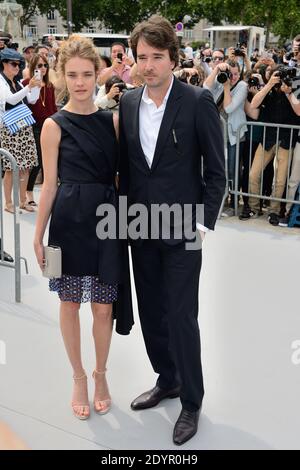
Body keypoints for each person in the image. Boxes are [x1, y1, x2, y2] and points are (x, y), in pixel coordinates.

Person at [119, 16, 225, 445]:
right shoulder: (127, 103)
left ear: (173, 59)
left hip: (183, 228)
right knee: (152, 312)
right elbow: (128, 167)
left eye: (157, 57)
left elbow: (216, 173)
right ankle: (168, 379)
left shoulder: (197, 101)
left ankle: (192, 401)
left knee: (182, 316)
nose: (148, 65)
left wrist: (199, 223)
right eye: (142, 57)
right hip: (140, 227)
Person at [34, 35, 133, 421]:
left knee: (104, 306)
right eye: (72, 74)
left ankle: (101, 375)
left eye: (87, 74)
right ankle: (78, 377)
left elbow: (125, 177)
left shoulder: (113, 121)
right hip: (68, 223)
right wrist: (38, 234)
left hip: (107, 220)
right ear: (61, 76)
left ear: (98, 74)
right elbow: (50, 186)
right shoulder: (53, 127)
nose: (79, 82)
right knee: (69, 302)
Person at [0, 48, 41, 213]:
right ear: (3, 64)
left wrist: (36, 85)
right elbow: (9, 101)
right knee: (11, 168)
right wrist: (28, 86)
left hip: (24, 126)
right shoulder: (1, 82)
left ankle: (23, 200)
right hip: (10, 128)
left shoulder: (16, 82)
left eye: (19, 64)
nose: (17, 67)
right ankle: (9, 203)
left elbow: (32, 99)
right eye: (13, 64)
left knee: (27, 166)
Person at [23, 52, 57, 206]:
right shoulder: (26, 84)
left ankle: (48, 192)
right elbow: (29, 103)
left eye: (45, 65)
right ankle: (28, 192)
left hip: (49, 125)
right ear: (33, 68)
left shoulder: (50, 86)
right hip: (34, 126)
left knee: (48, 161)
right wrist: (33, 86)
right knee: (36, 161)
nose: (43, 69)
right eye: (39, 66)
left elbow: (53, 107)